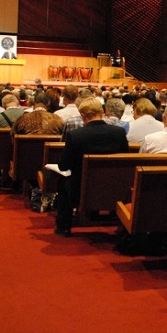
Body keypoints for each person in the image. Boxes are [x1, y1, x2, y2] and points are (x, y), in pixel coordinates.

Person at [55, 98, 129, 236]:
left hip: (81, 189)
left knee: (63, 182)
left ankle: (63, 227)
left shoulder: (76, 135)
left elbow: (63, 165)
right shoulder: (119, 132)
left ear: (82, 115)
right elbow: (125, 159)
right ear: (102, 112)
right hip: (115, 187)